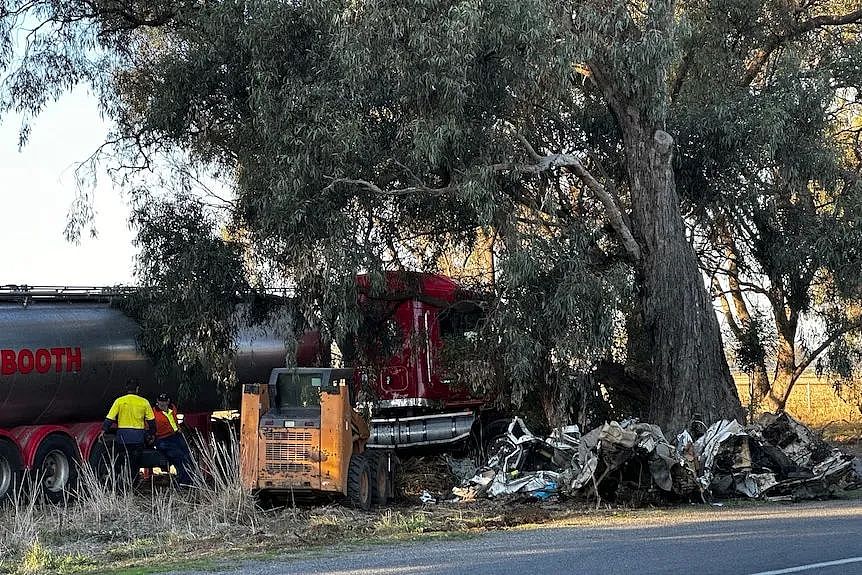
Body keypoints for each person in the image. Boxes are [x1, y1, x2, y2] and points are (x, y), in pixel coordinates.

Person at [102, 378, 156, 485]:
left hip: (123, 438)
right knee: (134, 465)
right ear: (137, 389)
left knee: (122, 462)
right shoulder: (144, 402)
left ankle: (120, 485)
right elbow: (152, 422)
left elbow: (110, 418)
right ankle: (132, 486)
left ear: (126, 388)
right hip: (138, 438)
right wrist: (151, 434)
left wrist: (103, 430)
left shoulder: (119, 401)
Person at [152, 393, 194, 487]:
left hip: (176, 435)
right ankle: (184, 481)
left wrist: (178, 428)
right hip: (163, 438)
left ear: (168, 401)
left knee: (188, 456)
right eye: (160, 401)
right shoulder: (153, 413)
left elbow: (174, 420)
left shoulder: (173, 408)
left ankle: (189, 479)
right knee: (179, 457)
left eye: (164, 401)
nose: (162, 404)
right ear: (157, 402)